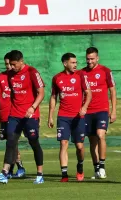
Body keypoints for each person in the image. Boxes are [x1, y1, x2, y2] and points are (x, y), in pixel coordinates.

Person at [0, 50, 45, 184]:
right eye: (10, 65)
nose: (12, 67)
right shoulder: (9, 75)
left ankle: (40, 174)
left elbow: (41, 93)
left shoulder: (32, 72)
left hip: (30, 115)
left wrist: (32, 108)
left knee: (34, 142)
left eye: (14, 64)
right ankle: (4, 173)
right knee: (11, 142)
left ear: (21, 61)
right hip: (14, 114)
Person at [48, 53, 92, 182]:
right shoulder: (57, 78)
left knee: (79, 146)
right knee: (63, 143)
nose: (75, 65)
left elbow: (88, 94)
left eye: (76, 62)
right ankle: (64, 174)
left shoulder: (81, 75)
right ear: (65, 63)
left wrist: (84, 107)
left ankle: (80, 165)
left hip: (78, 117)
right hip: (63, 116)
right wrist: (50, 116)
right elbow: (53, 98)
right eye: (72, 62)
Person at [0, 52, 25, 178]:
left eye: (10, 63)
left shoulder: (20, 76)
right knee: (10, 142)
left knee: (12, 141)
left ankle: (11, 168)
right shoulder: (0, 77)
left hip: (15, 114)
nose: (8, 66)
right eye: (6, 64)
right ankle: (16, 167)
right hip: (4, 114)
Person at [81, 47, 117, 179]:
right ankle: (96, 167)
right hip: (87, 112)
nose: (89, 61)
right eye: (88, 59)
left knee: (101, 135)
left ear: (97, 58)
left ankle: (102, 166)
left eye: (92, 59)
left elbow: (112, 91)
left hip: (102, 110)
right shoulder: (81, 73)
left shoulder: (105, 71)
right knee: (92, 141)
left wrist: (113, 111)